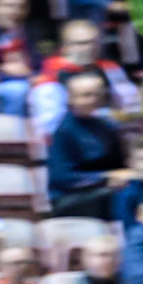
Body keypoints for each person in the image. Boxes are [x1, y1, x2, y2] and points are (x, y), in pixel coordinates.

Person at [48, 73, 133, 219]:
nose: (94, 100)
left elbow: (118, 164)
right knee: (125, 194)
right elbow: (62, 177)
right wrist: (104, 178)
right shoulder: (64, 132)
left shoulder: (105, 126)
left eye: (98, 95)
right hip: (71, 199)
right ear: (71, 99)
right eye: (86, 95)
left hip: (104, 190)